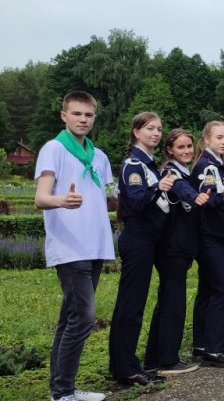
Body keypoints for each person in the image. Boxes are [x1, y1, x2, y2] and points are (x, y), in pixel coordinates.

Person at [35, 91, 113, 401]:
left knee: (69, 318)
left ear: (94, 118)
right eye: (77, 114)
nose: (83, 119)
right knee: (83, 317)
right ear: (64, 115)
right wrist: (62, 201)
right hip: (69, 247)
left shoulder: (99, 155)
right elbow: (41, 198)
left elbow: (104, 195)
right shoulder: (53, 149)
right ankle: (63, 392)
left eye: (88, 115)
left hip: (94, 246)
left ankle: (62, 388)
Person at [109, 111, 173, 386]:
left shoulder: (150, 164)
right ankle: (126, 369)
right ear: (136, 132)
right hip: (137, 239)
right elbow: (134, 202)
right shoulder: (133, 165)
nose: (156, 133)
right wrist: (158, 187)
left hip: (151, 240)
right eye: (150, 128)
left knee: (137, 303)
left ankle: (130, 364)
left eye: (159, 129)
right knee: (130, 306)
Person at [144, 129, 207, 376]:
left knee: (167, 301)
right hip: (171, 248)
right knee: (173, 304)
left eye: (189, 146)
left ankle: (154, 358)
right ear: (169, 150)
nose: (187, 151)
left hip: (178, 248)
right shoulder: (171, 173)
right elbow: (182, 191)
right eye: (181, 147)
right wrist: (197, 196)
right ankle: (167, 360)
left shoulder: (184, 171)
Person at [191, 121, 224, 368]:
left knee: (208, 290)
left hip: (214, 235)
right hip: (207, 236)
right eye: (219, 137)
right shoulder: (207, 166)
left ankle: (201, 343)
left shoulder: (217, 164)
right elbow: (206, 200)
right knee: (223, 289)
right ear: (207, 139)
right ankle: (214, 349)